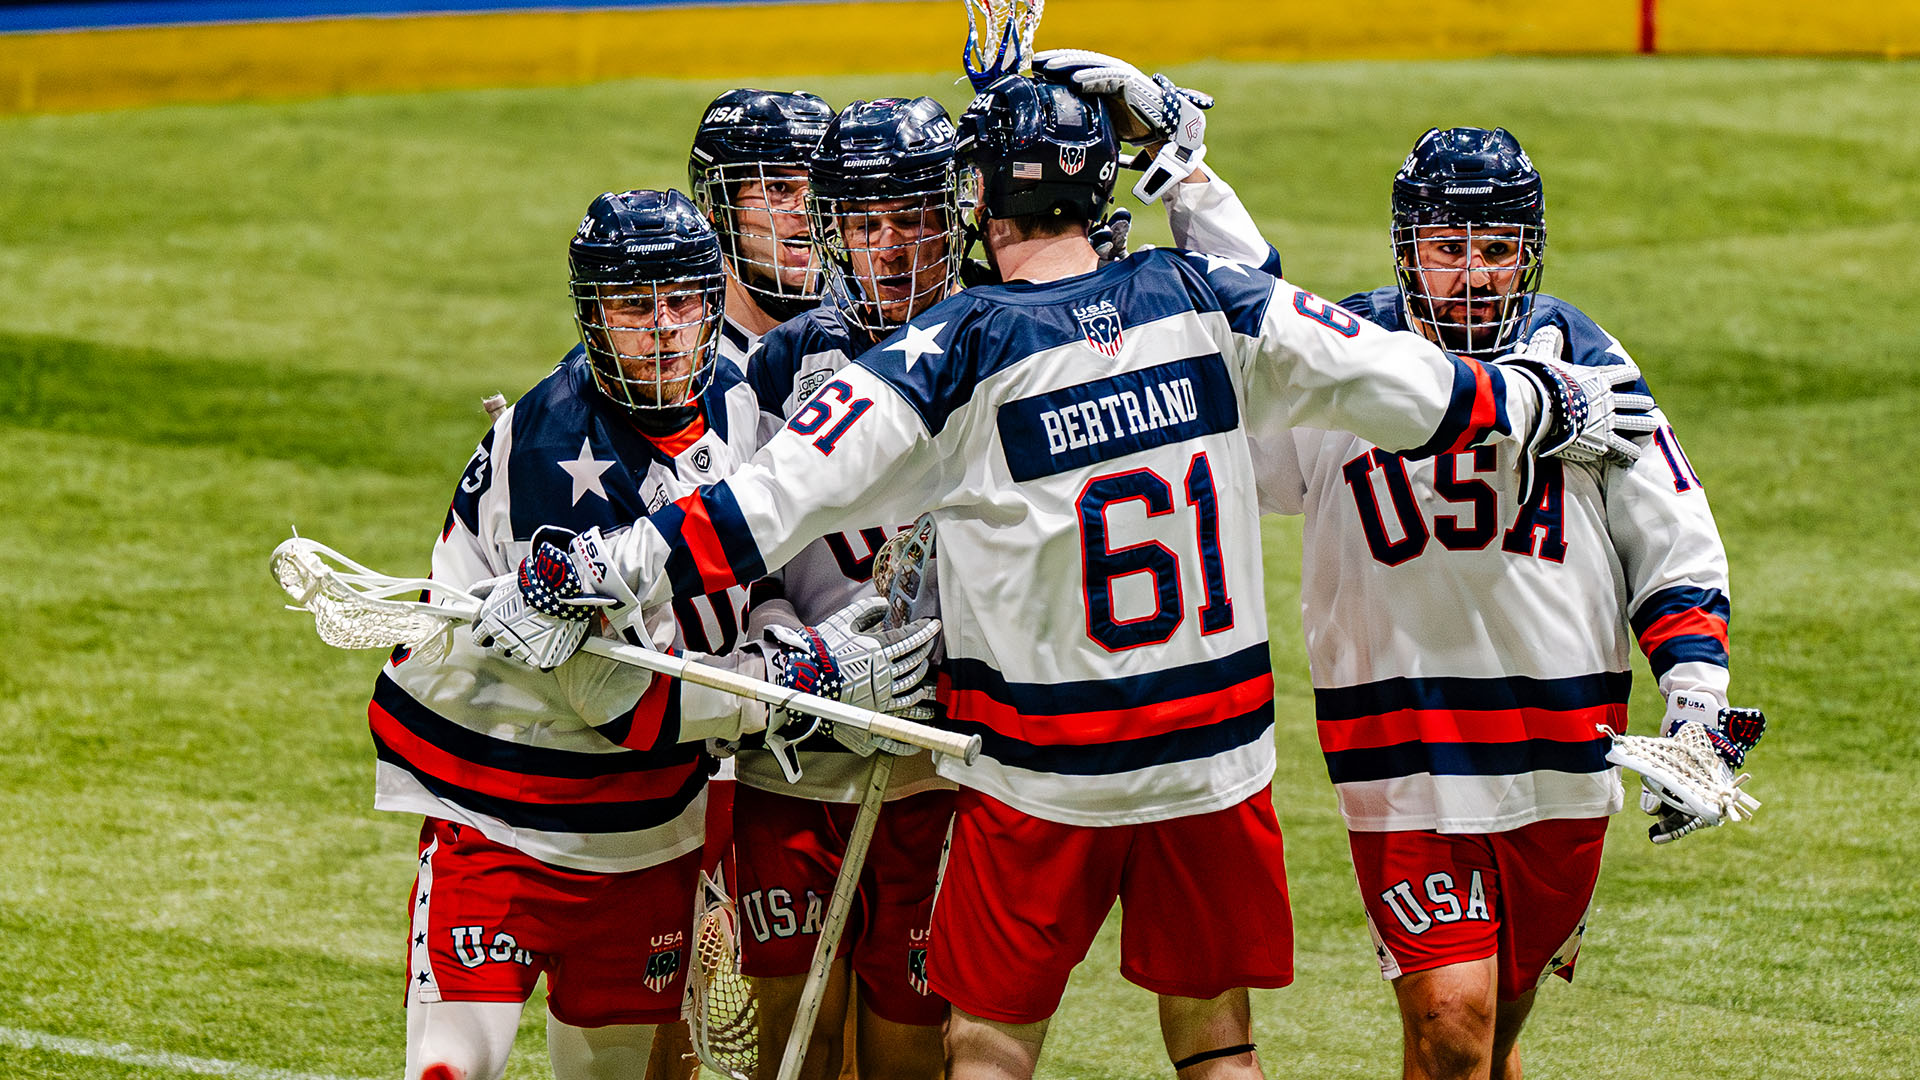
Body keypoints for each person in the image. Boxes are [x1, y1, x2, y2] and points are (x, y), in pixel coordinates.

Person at [475, 79, 1649, 1080]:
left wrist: (599, 565)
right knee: (1216, 1045)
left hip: (1050, 771)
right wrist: (1556, 402)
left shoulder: (958, 346)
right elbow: (1407, 381)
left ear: (979, 203)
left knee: (987, 1050)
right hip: (1217, 759)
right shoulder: (1207, 300)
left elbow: (763, 502)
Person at [383, 188, 936, 1080]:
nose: (665, 329)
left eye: (683, 301)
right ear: (592, 313)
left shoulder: (736, 400)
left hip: (649, 836)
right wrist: (806, 691)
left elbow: (754, 583)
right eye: (635, 306)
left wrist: (788, 645)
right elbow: (618, 704)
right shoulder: (554, 453)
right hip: (501, 818)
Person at [1253, 126, 1765, 1080]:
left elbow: (1671, 532)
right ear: (1407, 250)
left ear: (1529, 254)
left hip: (1564, 750)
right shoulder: (1343, 355)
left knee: (1494, 1034)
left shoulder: (1582, 353)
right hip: (1402, 751)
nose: (1475, 274)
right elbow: (1234, 465)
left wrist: (1695, 698)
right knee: (1452, 1025)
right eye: (1450, 249)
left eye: (1497, 251)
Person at [689, 88, 836, 369]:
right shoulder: (675, 354)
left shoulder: (867, 318)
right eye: (779, 188)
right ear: (714, 203)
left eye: (818, 190)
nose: (807, 212)